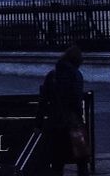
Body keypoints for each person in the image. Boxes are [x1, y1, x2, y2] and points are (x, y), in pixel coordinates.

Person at [37, 45, 90, 176]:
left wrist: (38, 123)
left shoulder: (52, 75)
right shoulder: (76, 75)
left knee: (57, 162)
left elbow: (43, 100)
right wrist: (80, 119)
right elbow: (76, 101)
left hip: (55, 123)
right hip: (72, 123)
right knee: (81, 159)